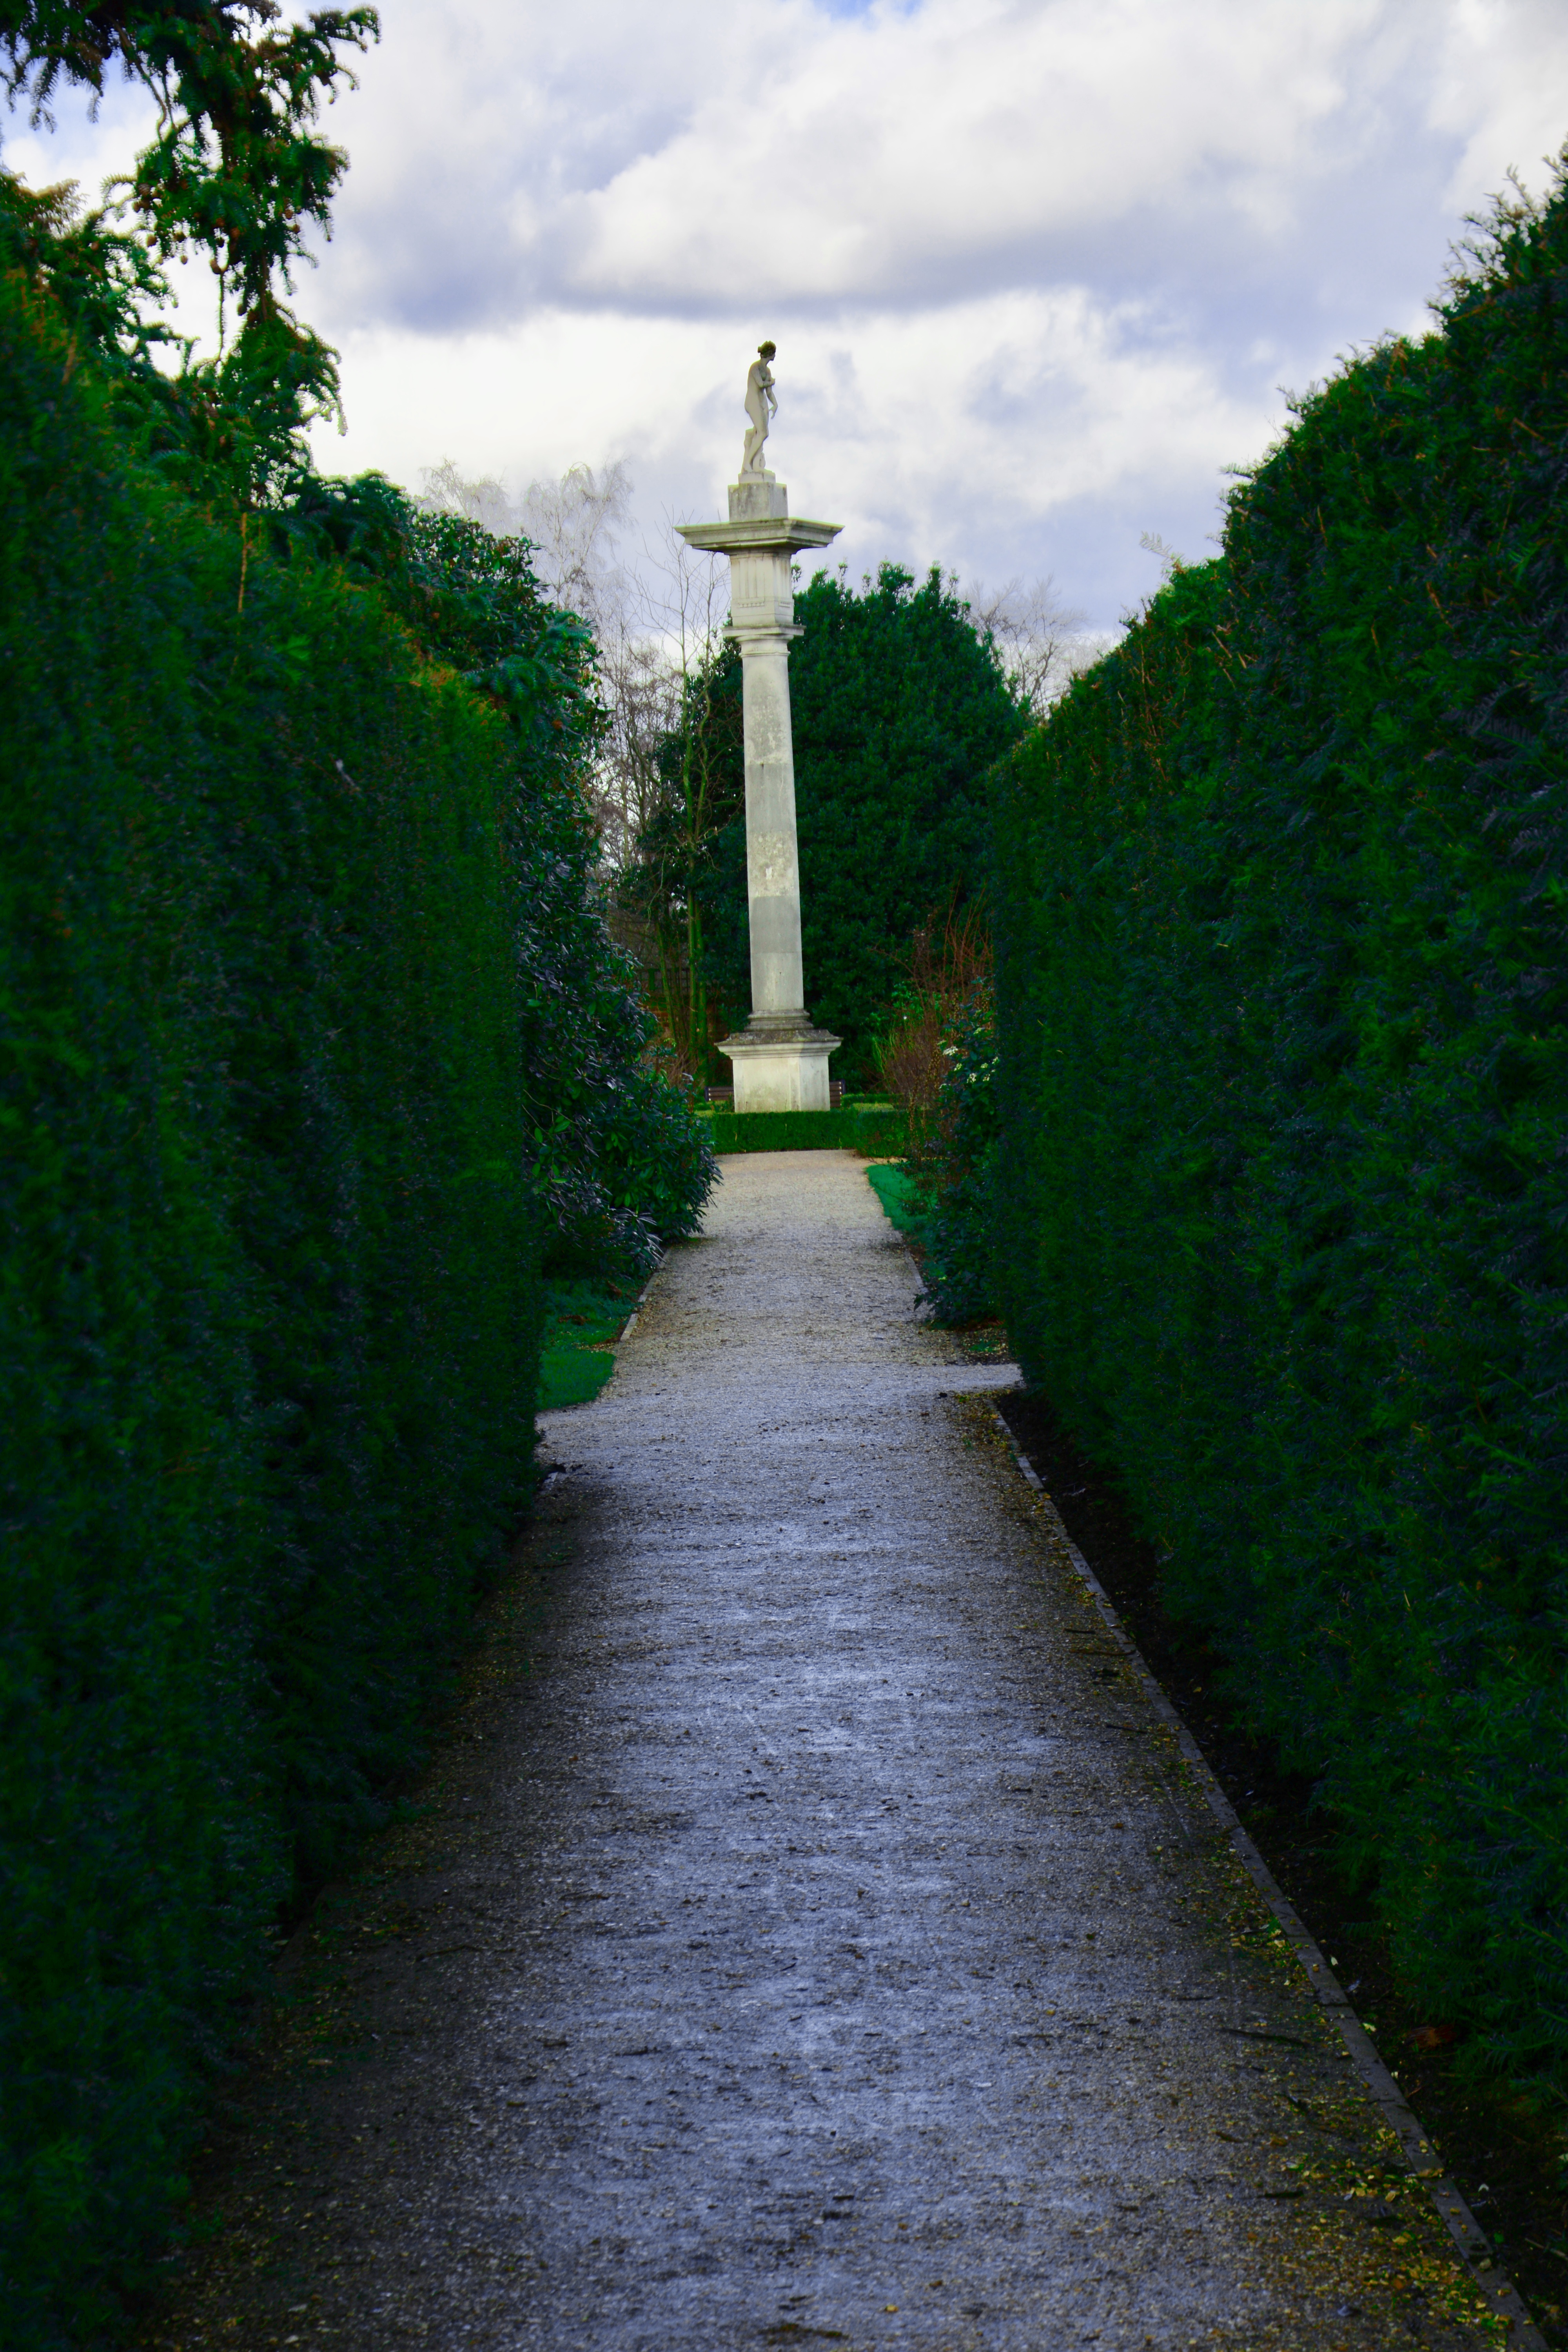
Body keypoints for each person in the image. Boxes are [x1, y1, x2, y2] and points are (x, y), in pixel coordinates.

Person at [742, 341, 777, 474]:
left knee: (761, 433)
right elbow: (761, 384)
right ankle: (747, 463)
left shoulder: (767, 371)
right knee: (763, 433)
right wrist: (771, 382)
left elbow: (769, 392)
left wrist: (775, 404)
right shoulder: (755, 368)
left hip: (762, 402)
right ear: (770, 354)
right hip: (753, 401)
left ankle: (756, 465)